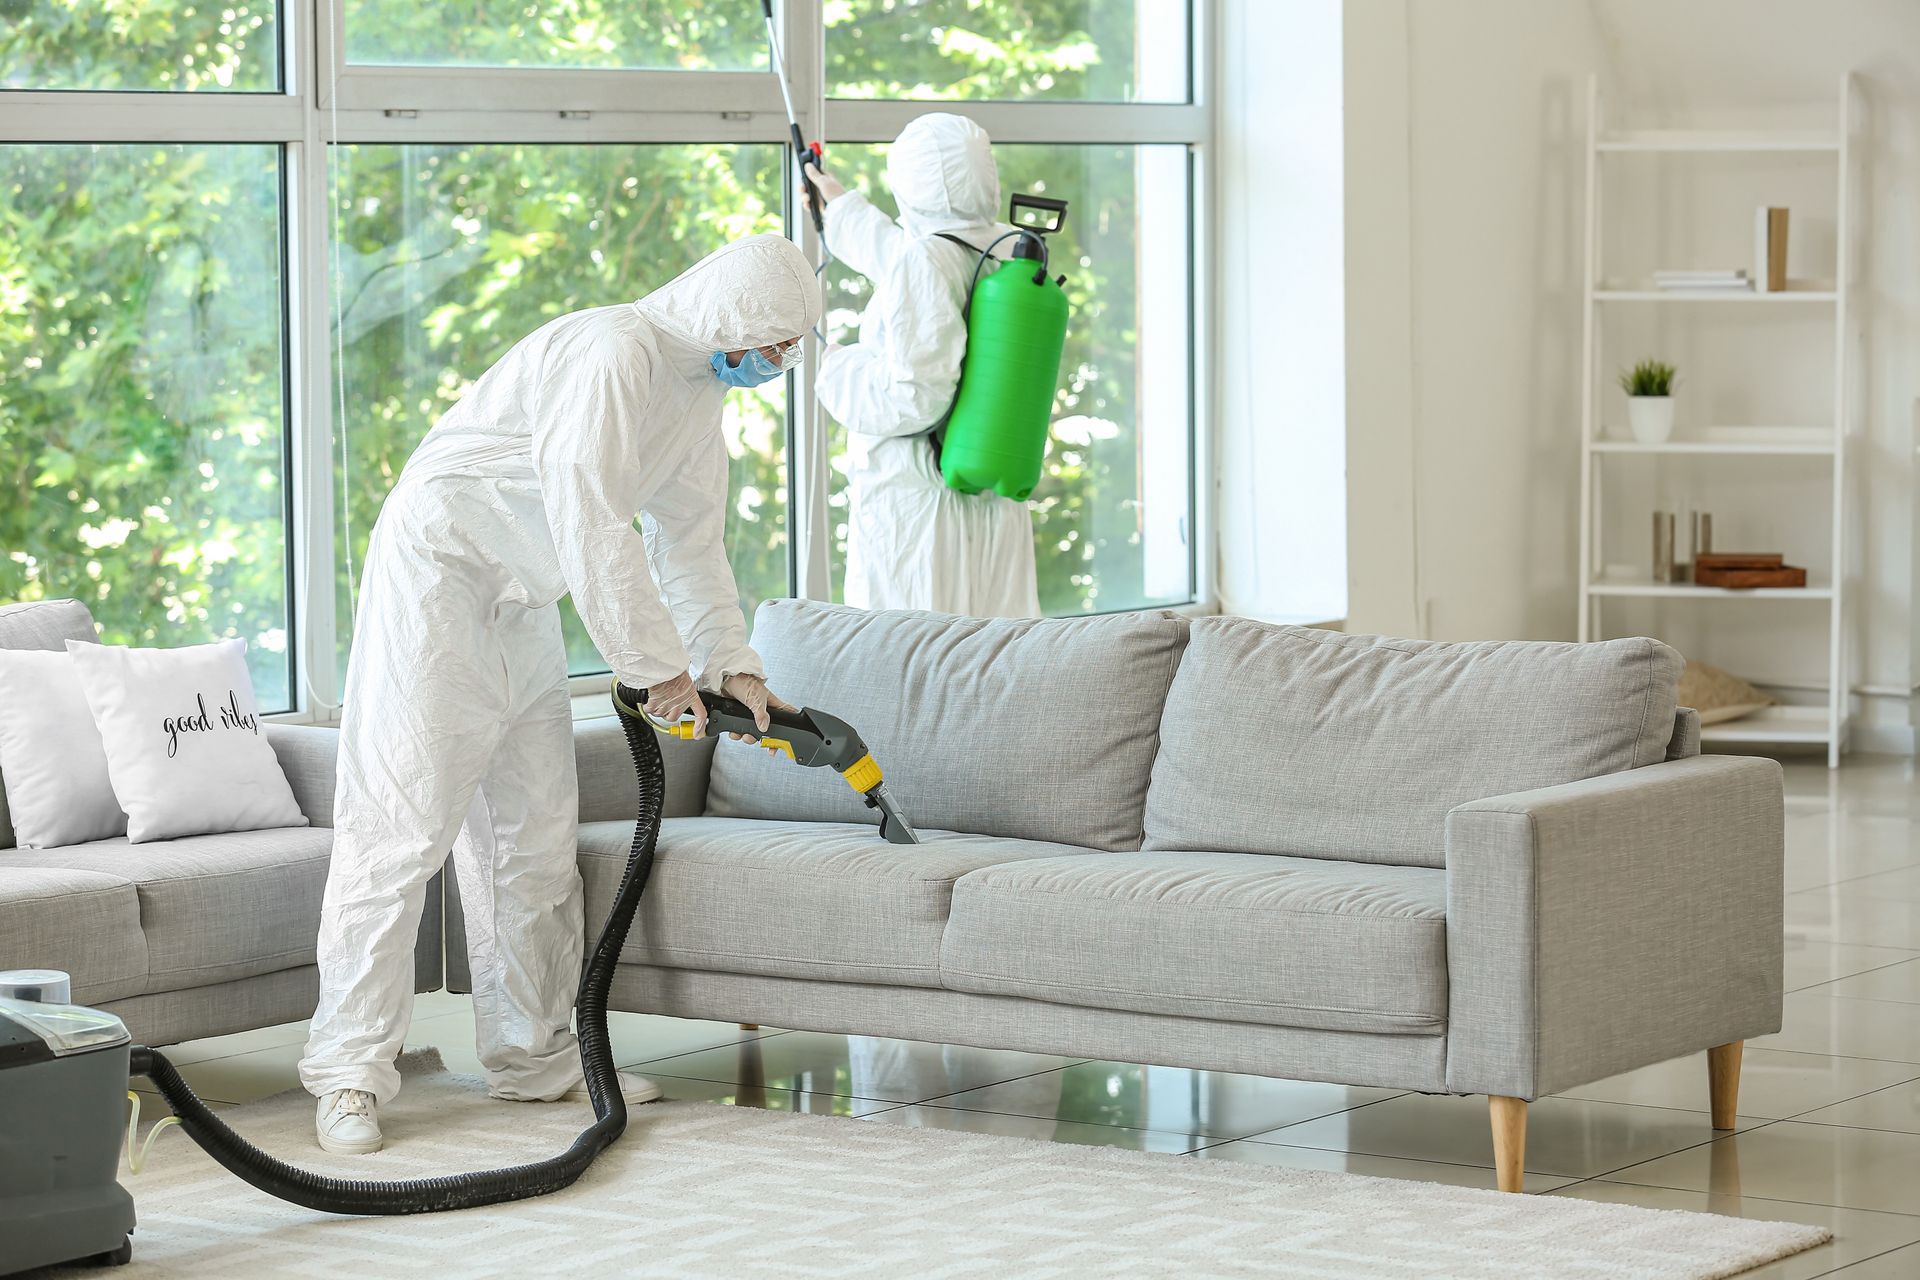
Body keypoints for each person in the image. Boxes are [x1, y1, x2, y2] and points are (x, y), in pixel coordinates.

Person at [298, 233, 819, 1155]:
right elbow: (586, 510)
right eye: (772, 342)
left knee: (533, 836)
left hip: (524, 594)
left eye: (790, 348)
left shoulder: (697, 399)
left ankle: (532, 1055)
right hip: (441, 570)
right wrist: (654, 668)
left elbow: (689, 541)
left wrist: (731, 662)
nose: (777, 362)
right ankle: (347, 1071)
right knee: (404, 824)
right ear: (726, 314)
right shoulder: (614, 349)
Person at [810, 113, 1041, 617]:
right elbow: (918, 270)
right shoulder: (1005, 245)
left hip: (920, 507)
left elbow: (913, 396)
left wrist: (837, 369)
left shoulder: (925, 260)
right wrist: (843, 208)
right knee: (995, 659)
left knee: (915, 668)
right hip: (991, 499)